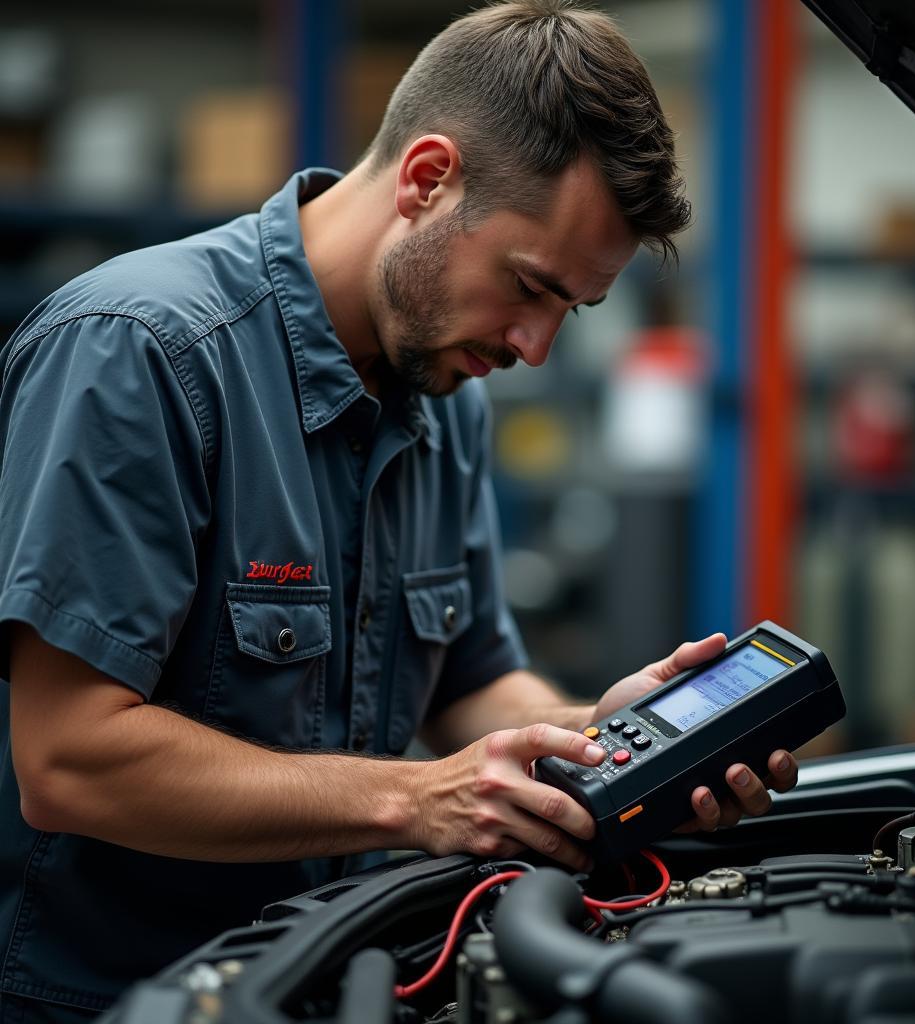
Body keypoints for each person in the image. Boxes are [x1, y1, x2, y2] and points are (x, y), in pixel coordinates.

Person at [0, 2, 798, 1020]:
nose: (535, 347)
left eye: (571, 311)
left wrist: (598, 737)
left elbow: (470, 685)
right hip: (111, 999)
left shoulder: (437, 389)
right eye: (529, 287)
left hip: (345, 979)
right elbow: (70, 760)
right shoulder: (138, 354)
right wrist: (417, 798)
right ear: (427, 179)